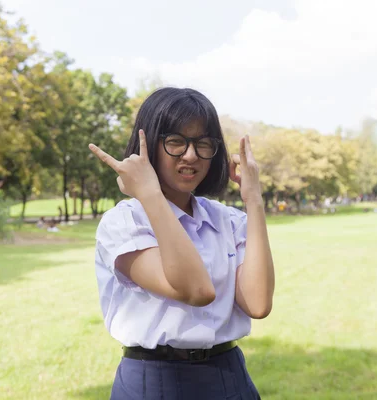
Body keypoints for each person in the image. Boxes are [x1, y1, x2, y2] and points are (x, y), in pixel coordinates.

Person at [89, 87, 275, 399]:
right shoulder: (123, 223)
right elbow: (196, 291)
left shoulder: (229, 221)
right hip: (153, 381)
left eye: (203, 143)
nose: (190, 155)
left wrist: (253, 200)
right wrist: (147, 192)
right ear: (147, 145)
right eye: (176, 141)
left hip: (229, 376)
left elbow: (258, 304)